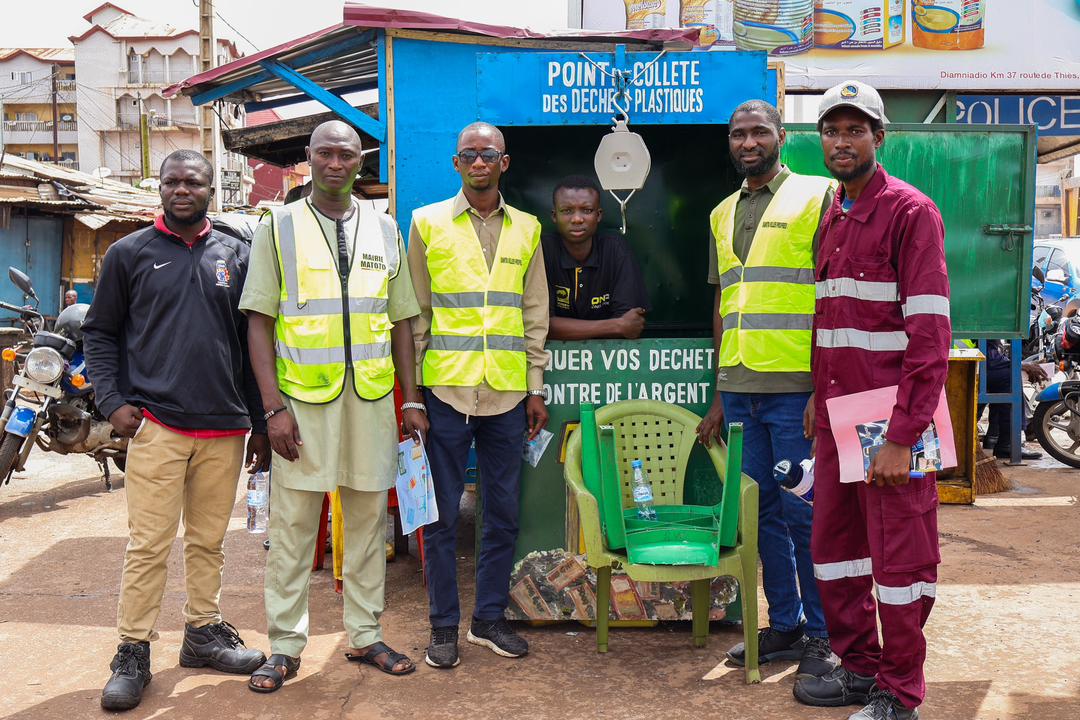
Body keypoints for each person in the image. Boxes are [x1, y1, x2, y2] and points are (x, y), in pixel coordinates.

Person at [242, 120, 427, 691]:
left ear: (359, 162)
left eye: (346, 154)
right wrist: (272, 408)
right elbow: (259, 320)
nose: (335, 163)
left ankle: (365, 635)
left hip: (371, 400)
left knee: (370, 524)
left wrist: (411, 399)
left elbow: (401, 322)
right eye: (325, 153)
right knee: (294, 526)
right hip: (302, 404)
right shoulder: (279, 226)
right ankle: (284, 646)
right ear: (309, 158)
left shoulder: (385, 226)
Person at [83, 149, 269, 712]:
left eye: (193, 182)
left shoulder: (237, 255)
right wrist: (112, 401)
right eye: (171, 182)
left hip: (224, 429)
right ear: (159, 189)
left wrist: (260, 423)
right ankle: (133, 650)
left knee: (209, 541)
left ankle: (202, 634)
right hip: (157, 425)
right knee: (148, 544)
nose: (181, 189)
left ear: (212, 189)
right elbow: (99, 334)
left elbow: (253, 346)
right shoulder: (128, 254)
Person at [792, 81, 951, 720]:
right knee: (837, 551)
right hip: (836, 416)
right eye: (832, 130)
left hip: (891, 421)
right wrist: (813, 395)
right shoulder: (832, 210)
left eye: (855, 130)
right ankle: (858, 667)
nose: (841, 141)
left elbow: (931, 334)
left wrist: (903, 435)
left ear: (878, 139)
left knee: (900, 562)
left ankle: (898, 694)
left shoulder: (912, 213)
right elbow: (828, 319)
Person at [696, 100, 837, 679]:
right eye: (738, 134)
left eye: (759, 132)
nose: (747, 142)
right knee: (761, 519)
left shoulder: (818, 194)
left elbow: (835, 289)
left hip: (796, 389)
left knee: (806, 514)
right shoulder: (721, 212)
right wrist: (718, 389)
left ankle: (824, 637)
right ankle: (786, 624)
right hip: (741, 388)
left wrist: (821, 387)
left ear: (781, 135)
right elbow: (725, 302)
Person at [408, 121, 549, 669]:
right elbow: (415, 314)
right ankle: (443, 626)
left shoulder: (529, 229)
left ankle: (488, 619)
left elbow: (533, 314)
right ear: (456, 163)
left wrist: (535, 387)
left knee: (504, 512)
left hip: (510, 394)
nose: (479, 161)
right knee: (441, 516)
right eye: (469, 154)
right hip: (446, 391)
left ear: (504, 163)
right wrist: (414, 396)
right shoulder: (426, 223)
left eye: (489, 153)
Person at [541, 175, 649, 340]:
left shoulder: (615, 248)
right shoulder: (543, 250)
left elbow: (632, 324)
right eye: (567, 211)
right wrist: (616, 326)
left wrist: (621, 325)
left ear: (598, 215)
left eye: (587, 210)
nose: (577, 219)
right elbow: (540, 325)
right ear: (554, 216)